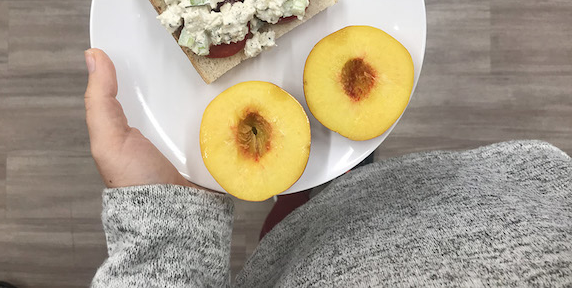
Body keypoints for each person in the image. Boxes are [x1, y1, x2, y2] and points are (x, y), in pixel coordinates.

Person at [85, 49, 572, 287]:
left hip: (299, 258)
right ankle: (332, 179)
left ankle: (310, 191)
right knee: (347, 192)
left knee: (299, 225)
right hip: (510, 195)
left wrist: (167, 227)